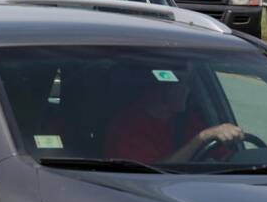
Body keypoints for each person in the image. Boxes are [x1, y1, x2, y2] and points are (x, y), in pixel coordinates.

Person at [103, 70, 243, 163]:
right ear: (161, 87)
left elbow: (226, 159)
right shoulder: (128, 128)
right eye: (182, 83)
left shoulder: (186, 121)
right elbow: (153, 172)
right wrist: (201, 138)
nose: (188, 90)